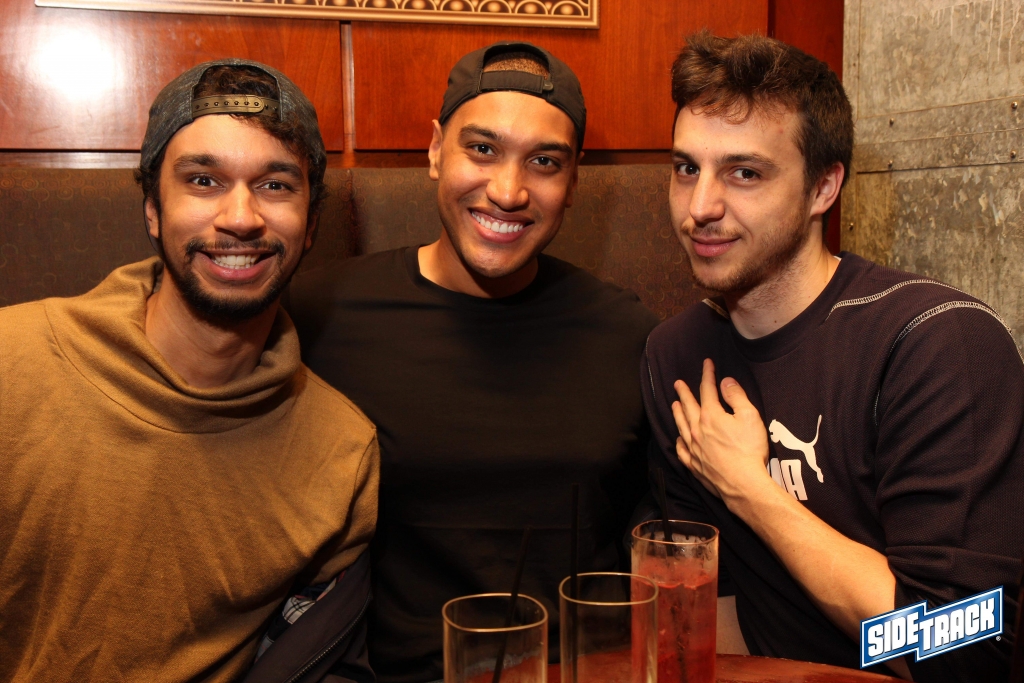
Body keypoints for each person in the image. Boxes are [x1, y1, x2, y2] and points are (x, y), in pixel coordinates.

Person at [642, 31, 1024, 682]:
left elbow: (962, 646)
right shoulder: (676, 353)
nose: (700, 207)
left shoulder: (938, 341)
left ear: (823, 188)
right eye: (686, 169)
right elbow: (717, 607)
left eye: (744, 173)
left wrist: (752, 491)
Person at [287, 42, 659, 682]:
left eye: (544, 162)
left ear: (573, 182)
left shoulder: (631, 335)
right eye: (482, 149)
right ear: (436, 151)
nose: (508, 191)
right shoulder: (321, 316)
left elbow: (674, 538)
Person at [0, 60, 379, 683]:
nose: (241, 218)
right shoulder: (14, 365)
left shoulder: (342, 451)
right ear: (153, 208)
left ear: (311, 223)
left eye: (275, 185)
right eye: (203, 181)